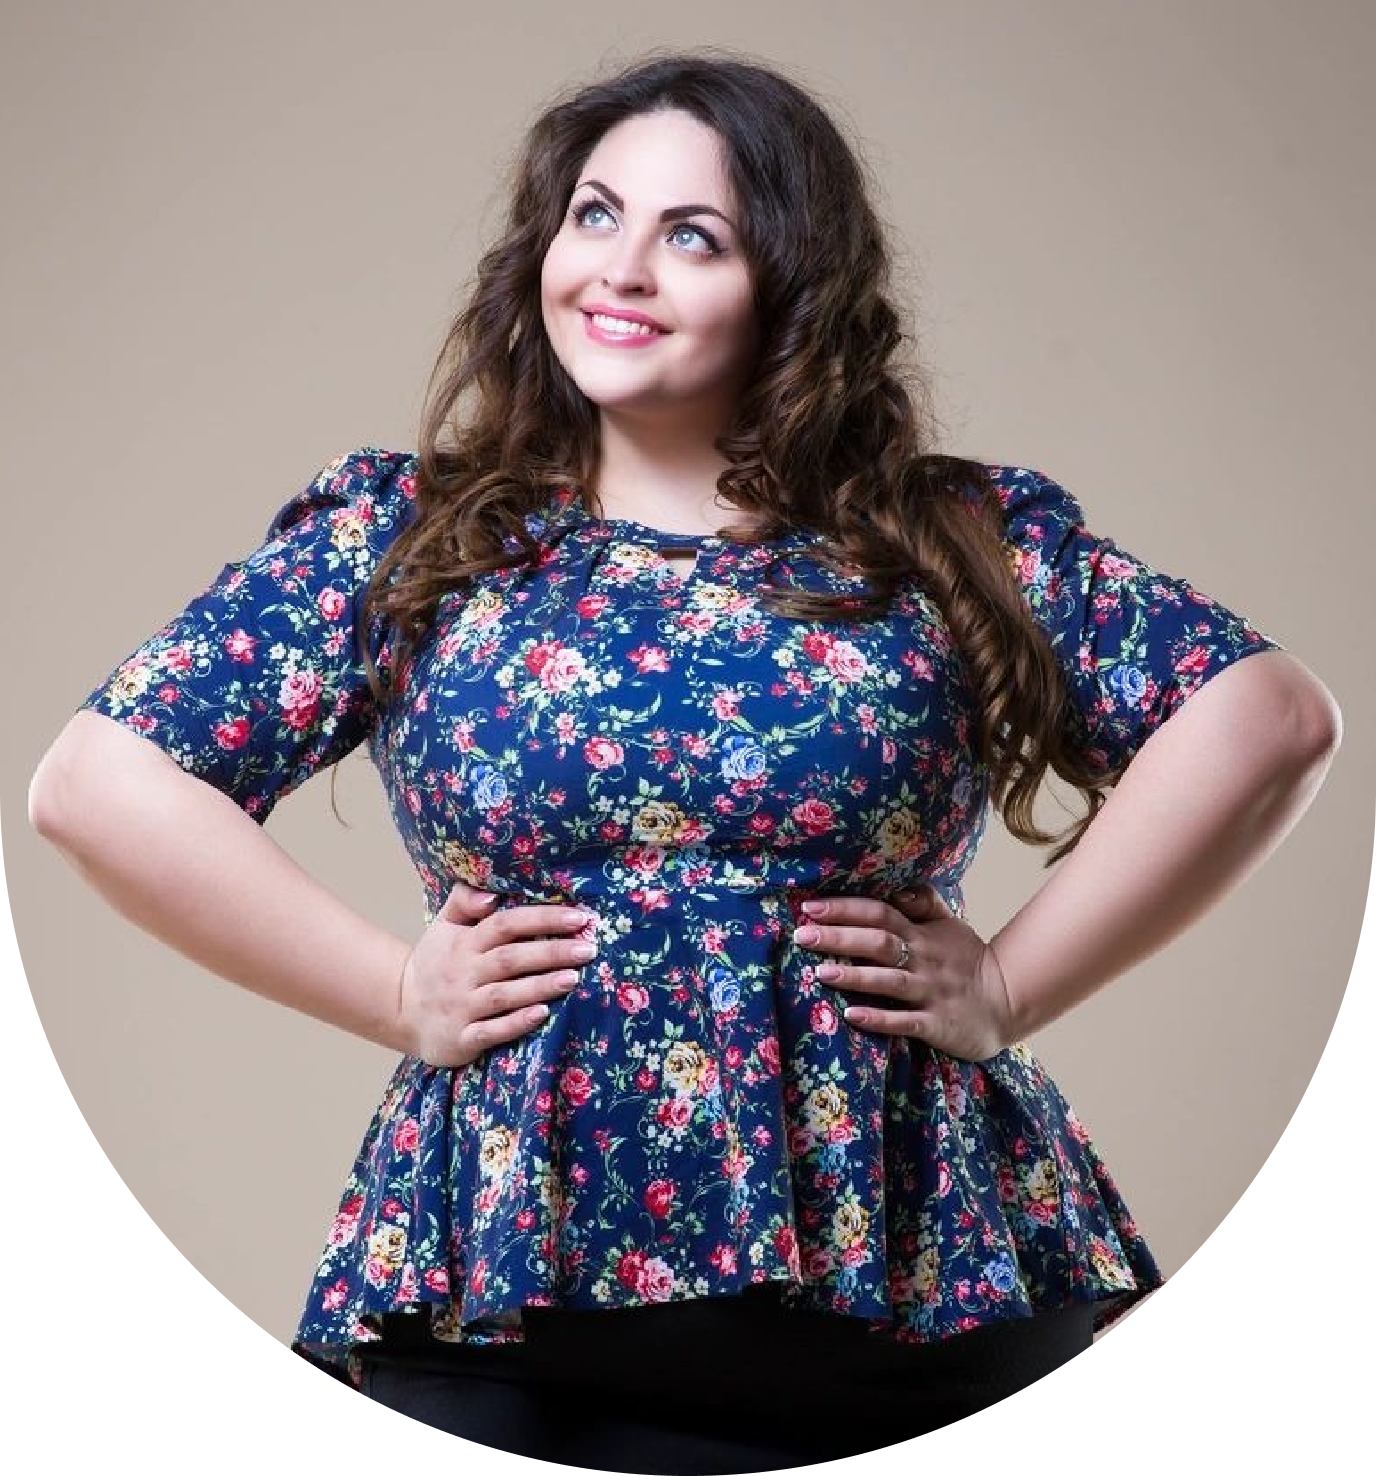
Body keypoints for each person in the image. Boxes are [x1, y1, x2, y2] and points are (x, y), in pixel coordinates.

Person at [29, 46, 1341, 1471]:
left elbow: (1269, 719)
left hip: (913, 1314)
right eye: (593, 216)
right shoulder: (421, 542)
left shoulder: (947, 540)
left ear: (791, 285)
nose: (621, 270)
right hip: (504, 1313)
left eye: (692, 236)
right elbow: (95, 783)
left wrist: (1013, 980)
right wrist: (395, 989)